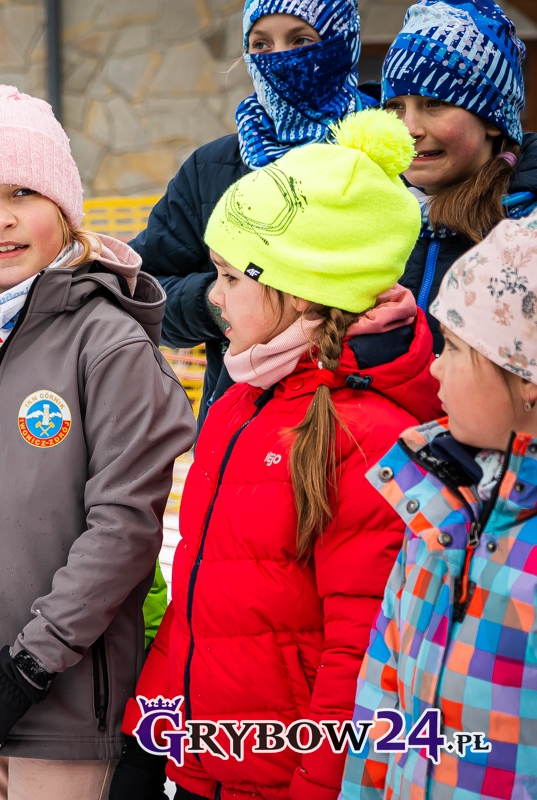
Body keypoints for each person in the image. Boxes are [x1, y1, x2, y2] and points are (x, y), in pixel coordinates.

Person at [0, 84, 197, 800]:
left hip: (63, 713)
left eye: (23, 191)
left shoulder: (106, 344)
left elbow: (122, 528)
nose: (1, 218)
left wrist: (26, 670)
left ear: (65, 208)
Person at [113, 109, 444, 800]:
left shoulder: (366, 437)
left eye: (231, 277)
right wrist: (149, 738)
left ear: (299, 291)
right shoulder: (240, 404)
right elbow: (200, 599)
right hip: (205, 767)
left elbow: (363, 653)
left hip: (285, 779)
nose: (215, 297)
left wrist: (316, 787)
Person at [341, 215, 537, 798]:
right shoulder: (436, 506)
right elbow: (381, 701)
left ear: (525, 374)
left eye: (454, 347)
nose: (434, 367)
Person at [133, 0, 375, 432]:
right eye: (261, 44)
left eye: (300, 40)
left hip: (361, 421)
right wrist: (221, 300)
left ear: (342, 44)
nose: (279, 58)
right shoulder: (211, 168)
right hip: (240, 427)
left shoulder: (388, 158)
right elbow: (143, 292)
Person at [380, 0, 537, 350]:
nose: (409, 128)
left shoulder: (527, 233)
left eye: (434, 103)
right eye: (395, 106)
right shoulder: (366, 215)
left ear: (493, 120)